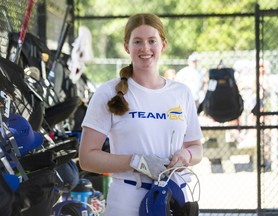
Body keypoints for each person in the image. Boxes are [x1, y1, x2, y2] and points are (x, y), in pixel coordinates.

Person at [78, 13, 203, 216]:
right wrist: (136, 162)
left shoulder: (181, 93)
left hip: (173, 200)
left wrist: (186, 155)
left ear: (163, 44)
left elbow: (196, 148)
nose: (145, 48)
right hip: (127, 202)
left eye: (151, 41)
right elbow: (86, 158)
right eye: (138, 41)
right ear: (127, 46)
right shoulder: (107, 92)